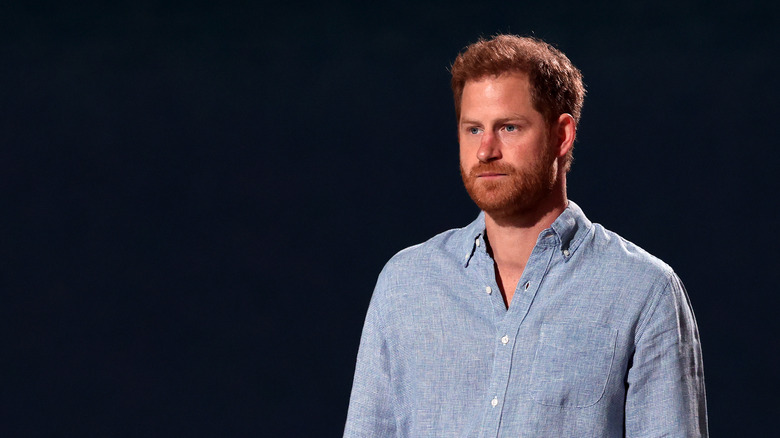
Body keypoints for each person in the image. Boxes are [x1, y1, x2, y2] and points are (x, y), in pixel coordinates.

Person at [344, 34, 707, 437]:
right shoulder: (406, 283)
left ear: (561, 135)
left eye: (509, 127)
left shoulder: (643, 291)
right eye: (473, 129)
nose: (485, 151)